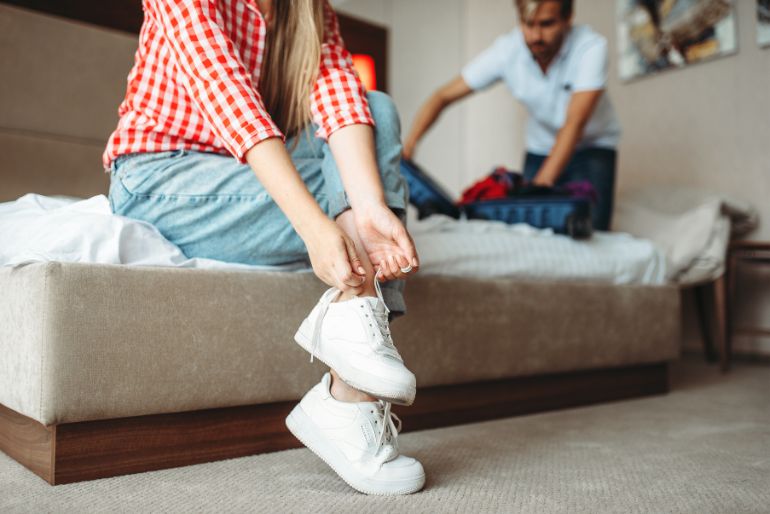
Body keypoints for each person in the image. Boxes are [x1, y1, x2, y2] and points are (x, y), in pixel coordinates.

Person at [103, 0, 425, 495]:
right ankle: (351, 397)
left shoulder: (309, 8)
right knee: (353, 170)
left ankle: (350, 374)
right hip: (162, 177)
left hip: (246, 173)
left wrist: (367, 207)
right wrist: (316, 229)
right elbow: (226, 93)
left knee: (373, 107)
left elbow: (337, 90)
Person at [404, 0, 621, 230]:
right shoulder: (507, 50)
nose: (535, 35)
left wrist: (538, 190)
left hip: (592, 146)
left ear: (568, 19)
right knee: (531, 230)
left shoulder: (591, 47)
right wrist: (409, 145)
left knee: (591, 229)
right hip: (540, 147)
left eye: (547, 24)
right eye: (528, 24)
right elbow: (442, 96)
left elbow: (574, 124)